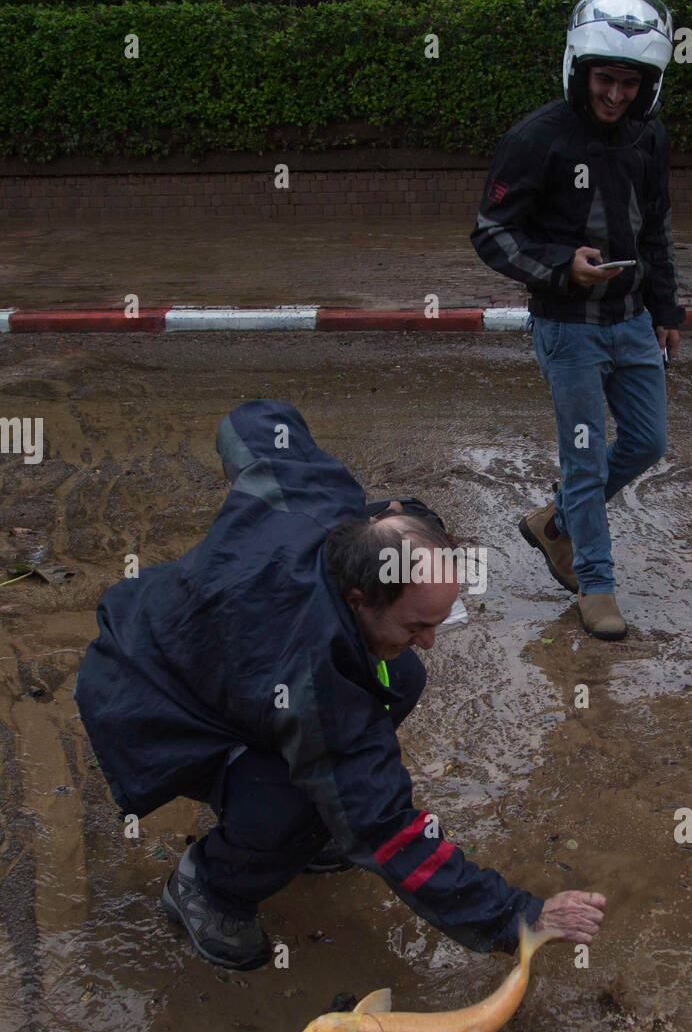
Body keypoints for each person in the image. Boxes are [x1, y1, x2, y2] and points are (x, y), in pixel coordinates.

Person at [74, 400, 606, 971]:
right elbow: (390, 832)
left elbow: (252, 424)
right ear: (359, 598)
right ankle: (209, 885)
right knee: (303, 799)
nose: (431, 639)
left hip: (204, 648)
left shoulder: (323, 505)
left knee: (400, 675)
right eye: (417, 625)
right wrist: (516, 916)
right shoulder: (317, 682)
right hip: (144, 698)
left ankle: (294, 815)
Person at [471, 0, 684, 641]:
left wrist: (666, 307)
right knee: (587, 458)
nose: (615, 95)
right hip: (567, 327)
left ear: (647, 84)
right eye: (604, 79)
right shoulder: (537, 138)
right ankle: (595, 582)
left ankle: (553, 519)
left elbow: (656, 231)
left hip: (630, 320)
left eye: (628, 82)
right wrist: (562, 267)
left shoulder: (649, 138)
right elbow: (491, 232)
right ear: (579, 71)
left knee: (649, 442)